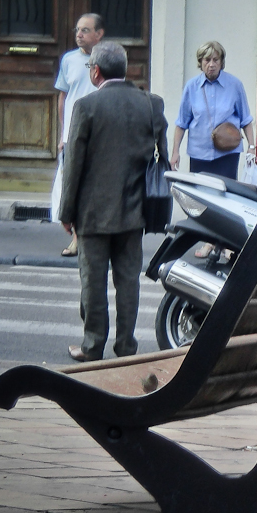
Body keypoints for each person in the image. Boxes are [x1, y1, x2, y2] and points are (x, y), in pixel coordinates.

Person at [60, 42, 168, 363]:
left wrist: (67, 212)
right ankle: (126, 348)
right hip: (136, 210)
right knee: (128, 282)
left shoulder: (86, 106)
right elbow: (161, 158)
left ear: (95, 71)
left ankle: (92, 346)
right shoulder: (152, 105)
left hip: (93, 212)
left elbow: (73, 165)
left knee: (93, 282)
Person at [53, 13, 104, 257]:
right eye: (77, 30)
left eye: (85, 30)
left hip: (98, 132)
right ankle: (75, 237)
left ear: (99, 34)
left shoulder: (108, 57)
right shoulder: (69, 60)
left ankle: (90, 236)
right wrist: (62, 133)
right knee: (71, 184)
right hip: (72, 134)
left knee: (91, 184)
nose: (79, 34)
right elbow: (63, 97)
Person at [171, 41, 254, 180]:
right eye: (207, 60)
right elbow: (181, 123)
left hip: (227, 153)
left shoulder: (235, 85)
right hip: (199, 154)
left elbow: (246, 120)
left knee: (226, 195)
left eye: (216, 60)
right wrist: (175, 153)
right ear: (200, 62)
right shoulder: (191, 87)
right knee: (200, 196)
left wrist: (251, 148)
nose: (211, 65)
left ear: (221, 62)